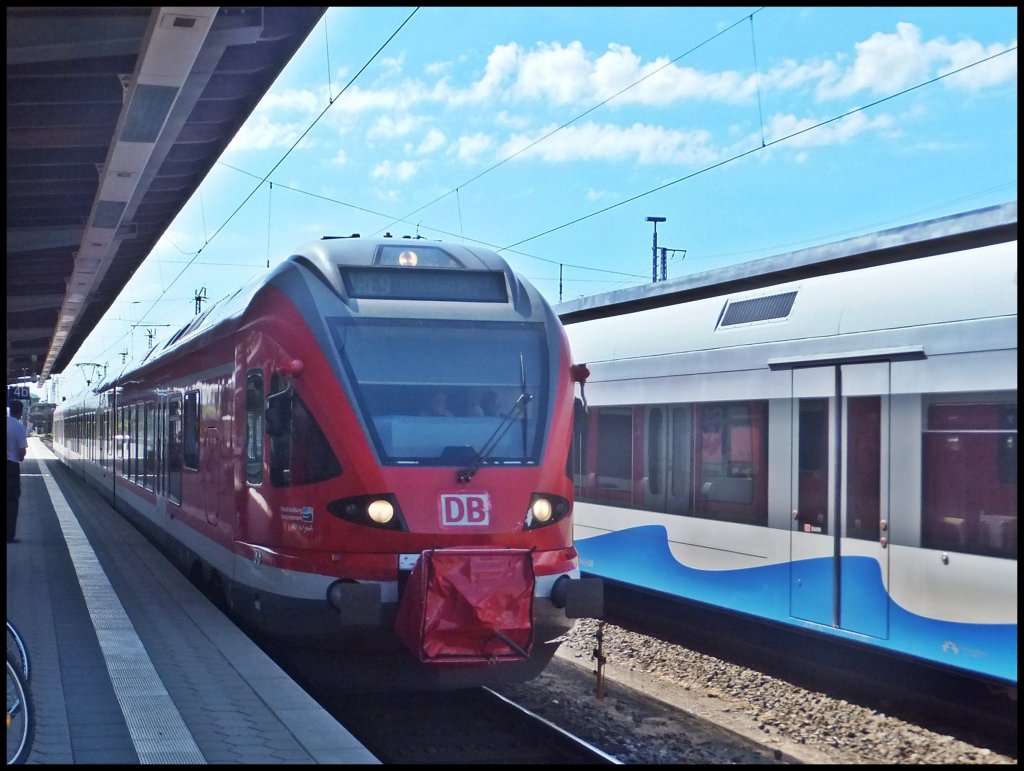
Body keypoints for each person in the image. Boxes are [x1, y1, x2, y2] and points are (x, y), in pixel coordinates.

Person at [7, 400, 29, 543]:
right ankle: (9, 536)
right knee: (11, 501)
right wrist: (20, 457)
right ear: (20, 412)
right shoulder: (19, 428)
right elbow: (22, 452)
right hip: (11, 466)